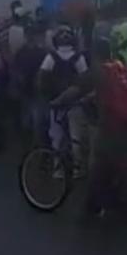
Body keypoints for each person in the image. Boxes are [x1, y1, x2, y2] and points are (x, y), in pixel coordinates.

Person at [39, 26, 90, 175]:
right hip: (75, 102)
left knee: (56, 136)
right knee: (76, 136)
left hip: (55, 103)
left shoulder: (50, 57)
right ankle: (77, 168)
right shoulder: (79, 58)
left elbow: (41, 80)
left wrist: (48, 97)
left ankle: (58, 168)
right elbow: (85, 80)